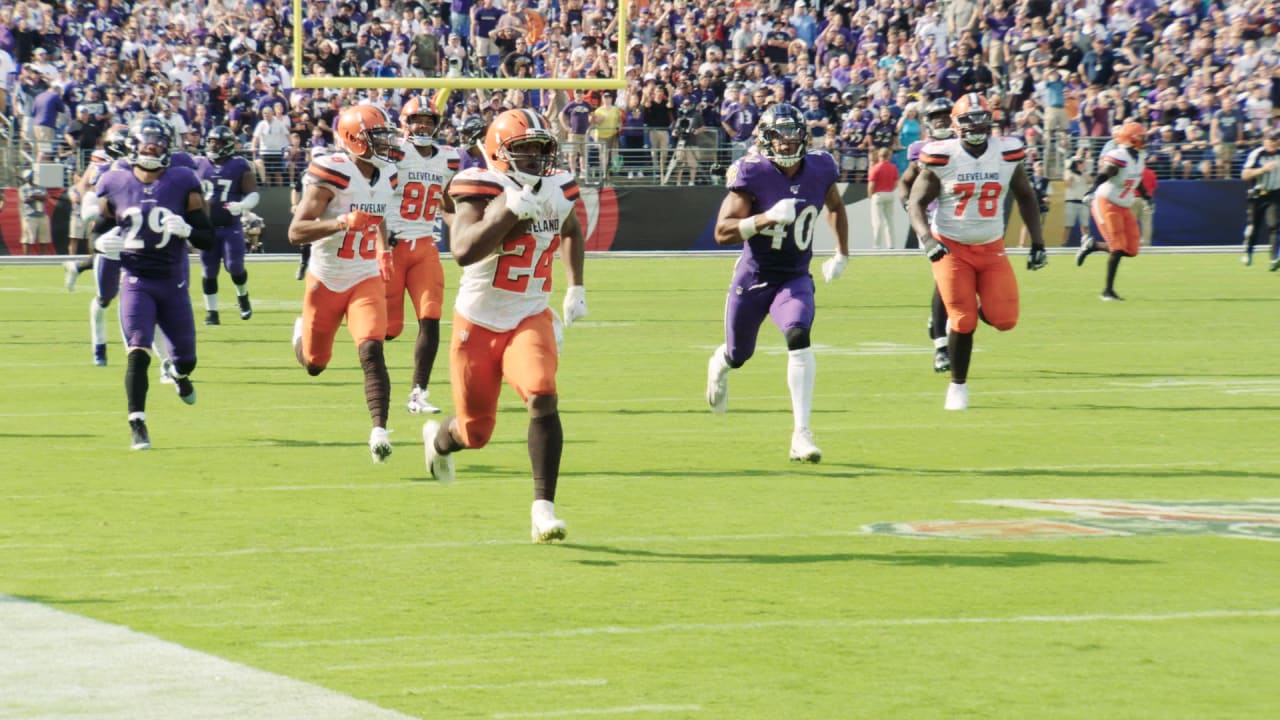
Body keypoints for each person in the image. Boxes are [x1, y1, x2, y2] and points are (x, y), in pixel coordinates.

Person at [423, 108, 586, 544]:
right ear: (498, 152)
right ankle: (439, 442)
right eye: (523, 149)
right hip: (476, 321)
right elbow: (462, 250)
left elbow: (570, 227)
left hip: (529, 313)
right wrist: (508, 211)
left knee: (542, 394)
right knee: (475, 433)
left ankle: (542, 509)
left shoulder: (559, 187)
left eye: (539, 148)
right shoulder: (480, 187)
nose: (534, 157)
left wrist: (576, 287)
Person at [704, 103, 850, 462]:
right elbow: (721, 232)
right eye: (779, 139)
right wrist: (765, 218)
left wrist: (842, 253)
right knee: (739, 354)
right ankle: (719, 363)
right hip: (754, 276)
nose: (786, 145)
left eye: (792, 137)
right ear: (766, 140)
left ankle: (801, 433)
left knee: (798, 337)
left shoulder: (821, 167)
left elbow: (835, 206)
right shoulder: (751, 173)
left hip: (795, 276)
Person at [907, 93, 1047, 411]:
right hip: (952, 247)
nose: (976, 125)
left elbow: (1025, 195)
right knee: (963, 319)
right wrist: (927, 240)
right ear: (956, 124)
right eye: (969, 119)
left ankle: (972, 306)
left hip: (991, 245)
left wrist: (1038, 242)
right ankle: (958, 386)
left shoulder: (1007, 151)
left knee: (1006, 319)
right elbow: (915, 202)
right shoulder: (941, 154)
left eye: (981, 118)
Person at [90, 116, 215, 449]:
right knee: (138, 351)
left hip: (173, 283)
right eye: (147, 142)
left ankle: (178, 374)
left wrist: (188, 230)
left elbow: (206, 237)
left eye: (159, 142)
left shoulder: (181, 180)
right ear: (133, 145)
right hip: (136, 279)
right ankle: (137, 424)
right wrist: (101, 244)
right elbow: (98, 231)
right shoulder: (114, 181)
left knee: (186, 360)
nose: (153, 147)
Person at [288, 105, 399, 464]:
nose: (385, 143)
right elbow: (296, 231)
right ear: (354, 139)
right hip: (326, 277)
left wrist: (382, 250)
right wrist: (340, 223)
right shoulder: (333, 172)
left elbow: (377, 215)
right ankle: (299, 337)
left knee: (371, 349)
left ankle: (379, 430)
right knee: (315, 363)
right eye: (377, 137)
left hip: (364, 276)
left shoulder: (388, 174)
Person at [386, 96, 460, 416]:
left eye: (429, 121)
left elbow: (446, 202)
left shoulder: (447, 158)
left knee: (430, 318)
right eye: (417, 120)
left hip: (425, 246)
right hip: (391, 248)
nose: (423, 126)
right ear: (406, 123)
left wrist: (460, 227)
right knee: (388, 330)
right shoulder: (393, 153)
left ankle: (419, 392)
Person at [897, 96, 956, 374]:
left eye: (946, 114)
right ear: (927, 122)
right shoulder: (920, 149)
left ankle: (938, 325)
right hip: (935, 222)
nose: (942, 119)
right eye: (937, 116)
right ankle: (941, 346)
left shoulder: (964, 145)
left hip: (964, 220)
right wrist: (908, 203)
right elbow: (906, 180)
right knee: (944, 280)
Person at [1075, 121, 1151, 301]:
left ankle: (1092, 245)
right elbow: (1105, 173)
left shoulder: (1140, 157)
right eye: (1140, 136)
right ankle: (1107, 291)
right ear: (1132, 139)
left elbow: (1136, 180)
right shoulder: (1119, 155)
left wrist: (1147, 197)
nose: (1144, 139)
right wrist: (1092, 190)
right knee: (1117, 247)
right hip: (1106, 202)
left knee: (1131, 249)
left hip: (1123, 204)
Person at [195, 125, 259, 325]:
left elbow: (253, 193)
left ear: (228, 145)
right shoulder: (199, 164)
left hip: (230, 227)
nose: (213, 145)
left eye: (218, 142)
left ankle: (243, 297)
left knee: (235, 266)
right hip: (208, 227)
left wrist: (242, 206)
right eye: (211, 141)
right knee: (208, 271)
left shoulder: (240, 165)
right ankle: (211, 312)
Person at [1241, 129, 1280, 269]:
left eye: (1275, 140)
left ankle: (1274, 258)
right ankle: (1247, 252)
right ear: (1265, 140)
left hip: (1275, 193)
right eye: (1270, 140)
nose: (1272, 143)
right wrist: (1262, 170)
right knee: (1253, 226)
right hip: (1257, 194)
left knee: (1274, 226)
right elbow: (1245, 174)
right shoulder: (1257, 154)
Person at [867, 147, 898, 249]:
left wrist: (870, 195)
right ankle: (891, 244)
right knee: (890, 220)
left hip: (878, 194)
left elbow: (871, 184)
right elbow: (896, 183)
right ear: (888, 156)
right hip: (889, 193)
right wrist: (890, 189)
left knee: (877, 221)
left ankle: (877, 244)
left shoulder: (875, 168)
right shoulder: (893, 167)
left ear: (879, 156)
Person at [1061, 147, 1092, 249]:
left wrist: (1083, 172)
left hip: (1083, 202)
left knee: (1085, 225)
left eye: (1081, 162)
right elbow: (1067, 184)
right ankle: (1063, 244)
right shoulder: (1069, 173)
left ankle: (1086, 243)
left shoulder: (1085, 173)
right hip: (1071, 201)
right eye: (1079, 163)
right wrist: (1070, 173)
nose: (1081, 164)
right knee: (1068, 225)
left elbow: (1090, 181)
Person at [18, 169, 52, 256]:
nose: (30, 178)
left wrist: (33, 196)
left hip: (41, 215)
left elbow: (45, 197)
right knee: (27, 239)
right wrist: (38, 196)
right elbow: (25, 200)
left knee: (44, 239)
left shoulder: (40, 187)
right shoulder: (22, 189)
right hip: (29, 216)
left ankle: (43, 257)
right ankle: (26, 257)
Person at [1019, 160, 1050, 249]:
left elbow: (1048, 194)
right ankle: (1021, 244)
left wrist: (1047, 200)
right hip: (1030, 204)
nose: (1040, 168)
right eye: (1038, 166)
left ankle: (1037, 244)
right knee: (1026, 224)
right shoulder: (1029, 179)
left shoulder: (1046, 181)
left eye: (1041, 166)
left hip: (1041, 205)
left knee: (1039, 226)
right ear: (1034, 168)